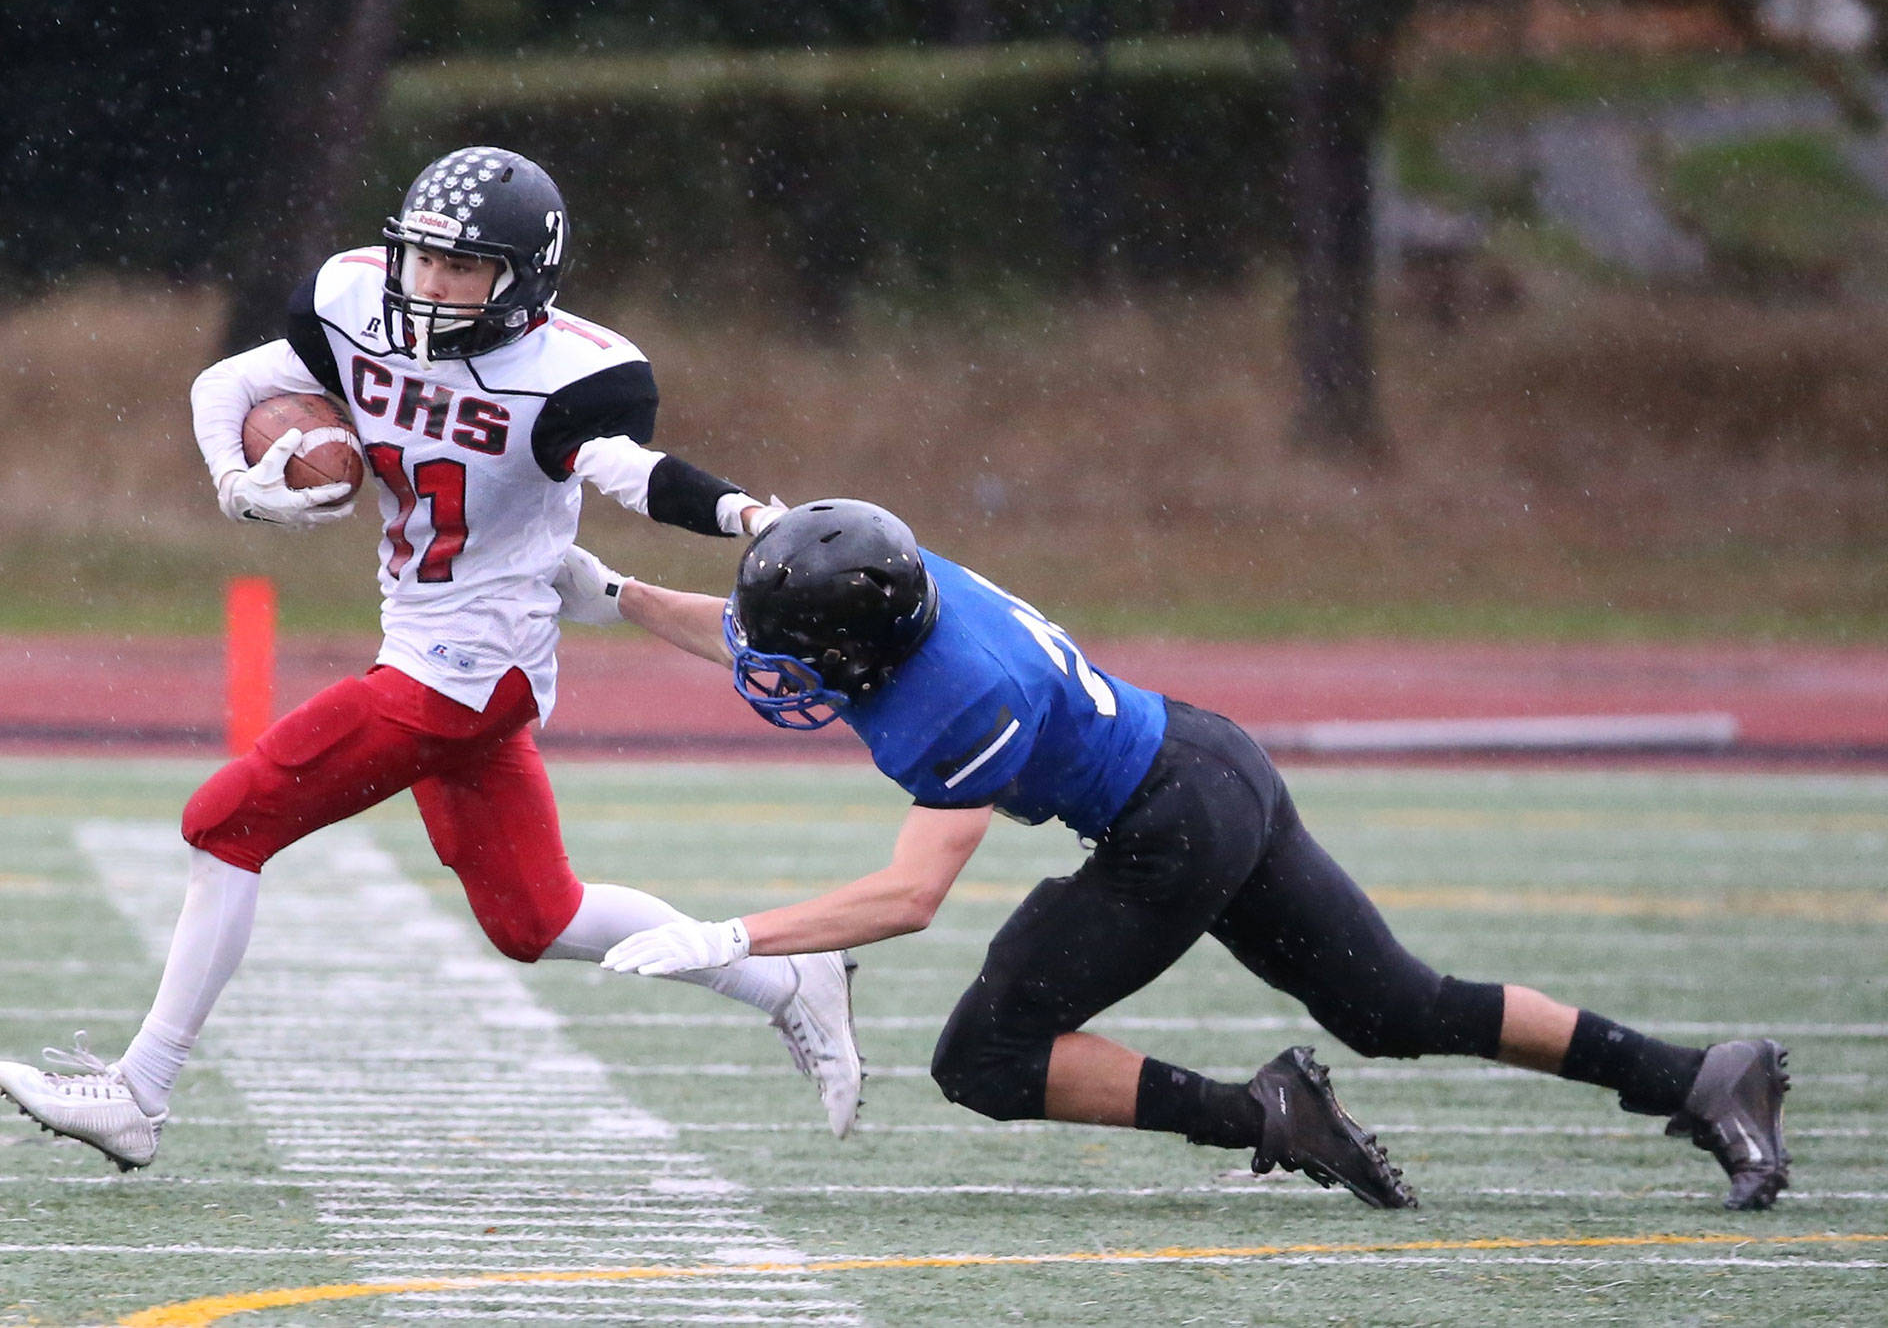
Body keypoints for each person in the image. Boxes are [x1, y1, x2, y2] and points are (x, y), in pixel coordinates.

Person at [0, 148, 862, 1170]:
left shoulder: (574, 373)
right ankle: (789, 978)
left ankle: (139, 1090)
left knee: (222, 824)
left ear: (523, 280)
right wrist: (237, 482)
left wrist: (747, 513)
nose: (430, 287)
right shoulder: (356, 300)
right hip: (428, 645)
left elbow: (634, 475)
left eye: (462, 269)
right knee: (536, 917)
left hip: (468, 667)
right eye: (422, 260)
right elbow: (230, 381)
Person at [553, 499, 1792, 1211]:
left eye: (802, 655)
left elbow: (908, 893)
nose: (774, 668)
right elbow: (774, 624)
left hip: (1167, 827)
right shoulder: (888, 583)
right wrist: (615, 595)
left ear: (865, 647)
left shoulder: (950, 703)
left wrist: (734, 938)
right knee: (1396, 1004)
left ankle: (1265, 1114)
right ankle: (1695, 1076)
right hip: (1206, 761)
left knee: (983, 1057)